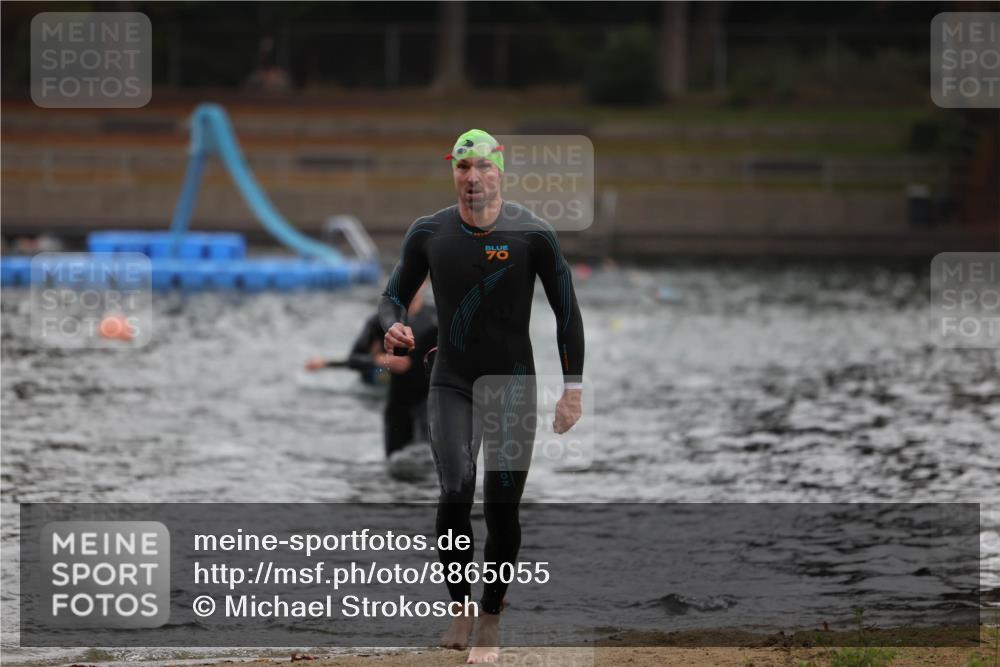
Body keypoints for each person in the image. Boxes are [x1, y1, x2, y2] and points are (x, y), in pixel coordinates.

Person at [379, 129, 585, 663]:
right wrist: (393, 326)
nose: (472, 178)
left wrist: (573, 392)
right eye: (462, 167)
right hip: (450, 379)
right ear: (454, 173)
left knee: (500, 506)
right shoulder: (429, 232)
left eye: (482, 167)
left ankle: (491, 614)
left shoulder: (533, 233)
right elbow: (392, 297)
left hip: (514, 384)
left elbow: (567, 310)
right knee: (454, 490)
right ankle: (461, 607)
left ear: (500, 172)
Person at [306, 282, 437, 476]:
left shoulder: (438, 317)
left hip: (430, 401)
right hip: (397, 402)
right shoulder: (381, 321)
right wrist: (383, 360)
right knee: (394, 466)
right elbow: (355, 358)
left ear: (424, 284)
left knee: (431, 466)